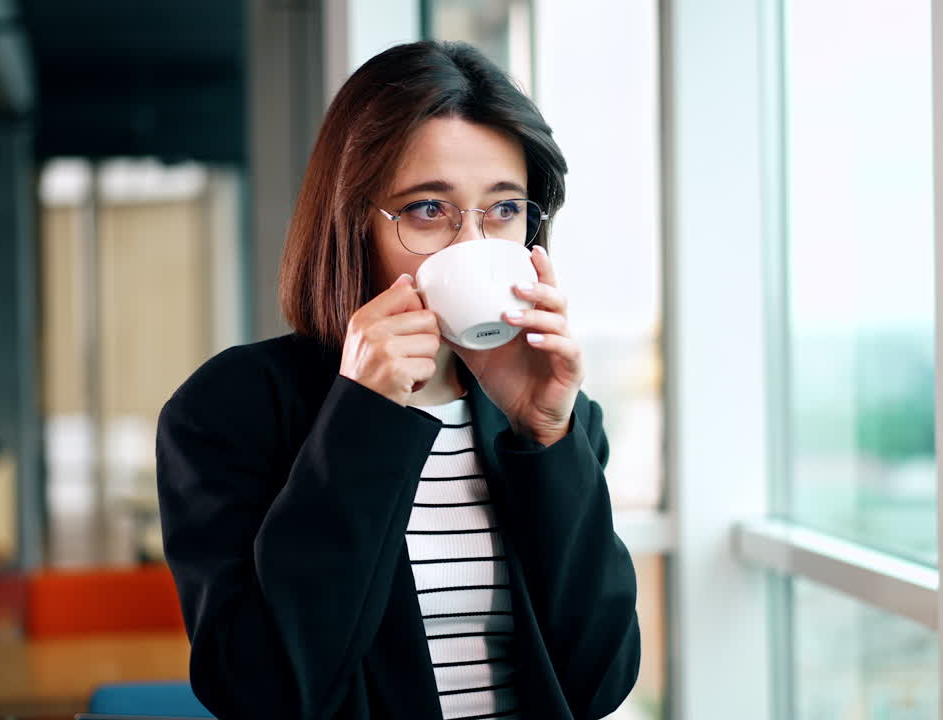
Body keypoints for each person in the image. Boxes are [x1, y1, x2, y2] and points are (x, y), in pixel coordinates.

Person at [156, 40, 640, 720]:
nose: (472, 246)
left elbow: (598, 680)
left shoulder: (556, 420)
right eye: (428, 210)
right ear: (354, 223)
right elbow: (262, 693)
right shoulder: (231, 408)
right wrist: (365, 419)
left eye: (503, 210)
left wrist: (548, 436)